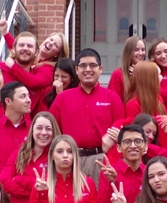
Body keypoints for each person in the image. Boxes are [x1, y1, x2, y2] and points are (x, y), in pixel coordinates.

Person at [49, 49, 126, 184]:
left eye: (93, 65)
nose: (88, 69)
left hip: (101, 160)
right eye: (83, 66)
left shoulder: (112, 98)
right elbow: (52, 129)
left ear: (101, 69)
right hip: (71, 160)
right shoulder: (62, 99)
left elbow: (121, 127)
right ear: (77, 70)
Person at [97, 125, 149, 203]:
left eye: (137, 141)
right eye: (127, 142)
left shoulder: (151, 173)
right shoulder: (109, 172)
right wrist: (112, 182)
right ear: (119, 148)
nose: (133, 146)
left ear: (146, 147)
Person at [0, 111, 59, 203]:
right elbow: (3, 181)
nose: (44, 133)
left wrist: (18, 179)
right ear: (32, 130)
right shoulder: (19, 154)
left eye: (48, 129)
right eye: (39, 128)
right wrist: (31, 192)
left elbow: (53, 186)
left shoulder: (56, 156)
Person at [108, 36, 147, 102]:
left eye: (143, 50)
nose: (140, 53)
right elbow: (113, 101)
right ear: (128, 52)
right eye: (136, 50)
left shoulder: (148, 72)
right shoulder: (118, 74)